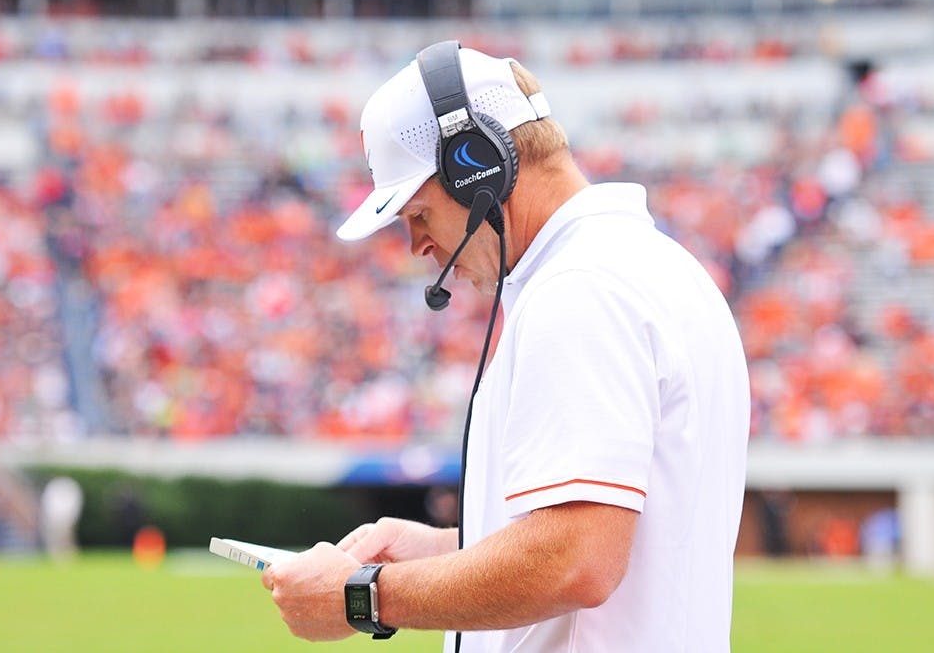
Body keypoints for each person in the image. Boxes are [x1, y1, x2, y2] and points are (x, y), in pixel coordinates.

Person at [262, 41, 751, 653]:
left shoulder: (580, 291)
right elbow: (622, 537)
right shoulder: (648, 267)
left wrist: (364, 595)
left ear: (479, 166)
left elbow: (577, 559)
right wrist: (447, 547)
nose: (417, 246)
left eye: (418, 214)